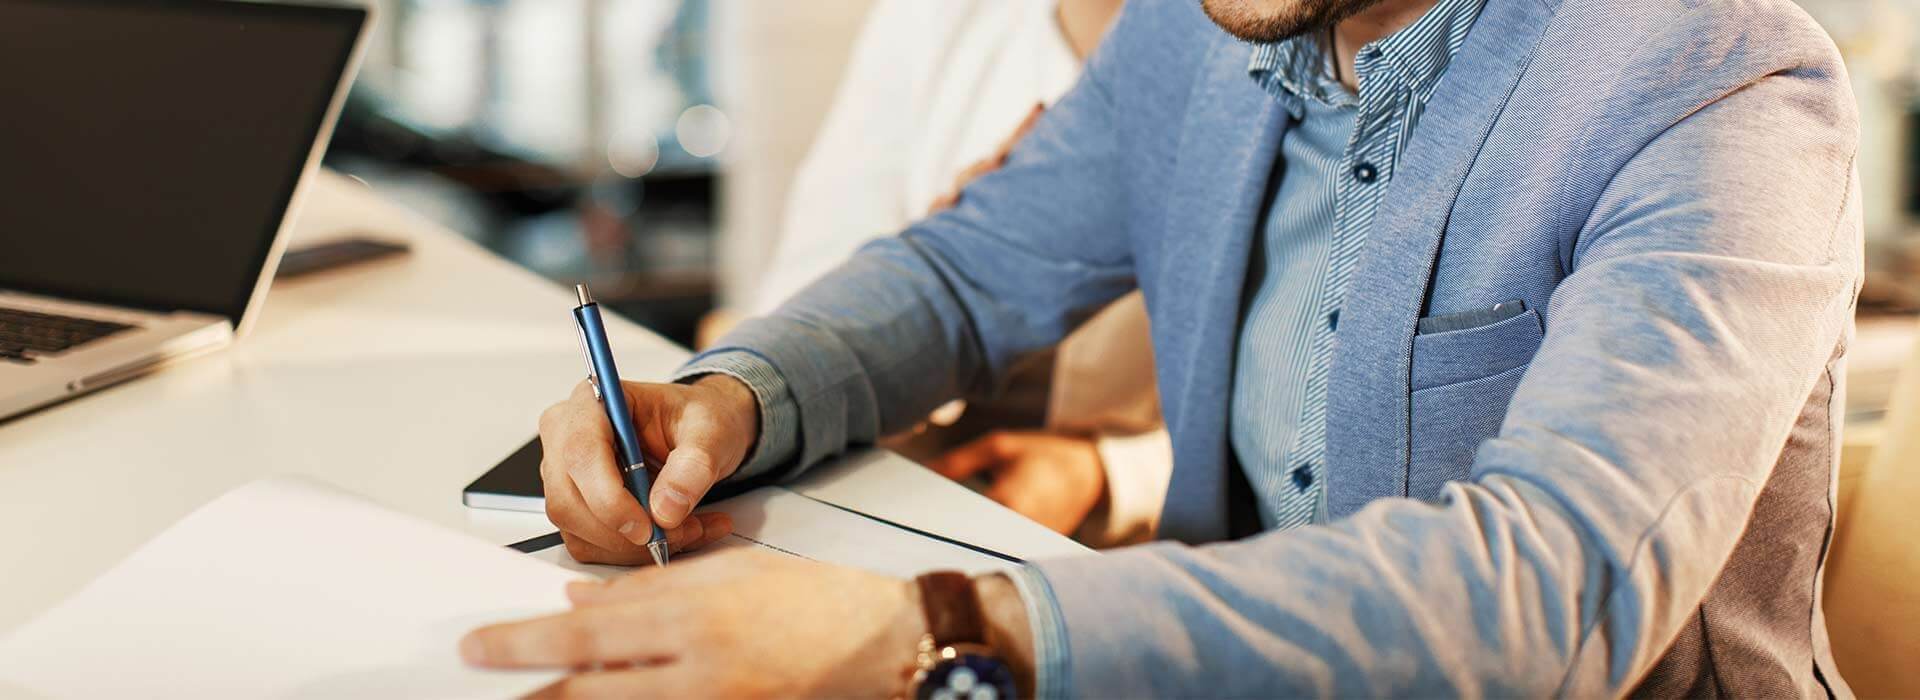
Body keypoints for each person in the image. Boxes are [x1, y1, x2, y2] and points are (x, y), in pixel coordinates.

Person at [463, 0, 1863, 696]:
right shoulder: (1193, 37)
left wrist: (936, 633)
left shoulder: (1718, 83)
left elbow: (1559, 592)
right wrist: (732, 401)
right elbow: (965, 274)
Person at [708, 0, 1168, 544]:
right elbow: (823, 292)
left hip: (1124, 545)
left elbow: (1279, 419)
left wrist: (1110, 473)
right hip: (894, 482)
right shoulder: (936, 18)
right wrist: (727, 391)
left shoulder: (1233, 43)